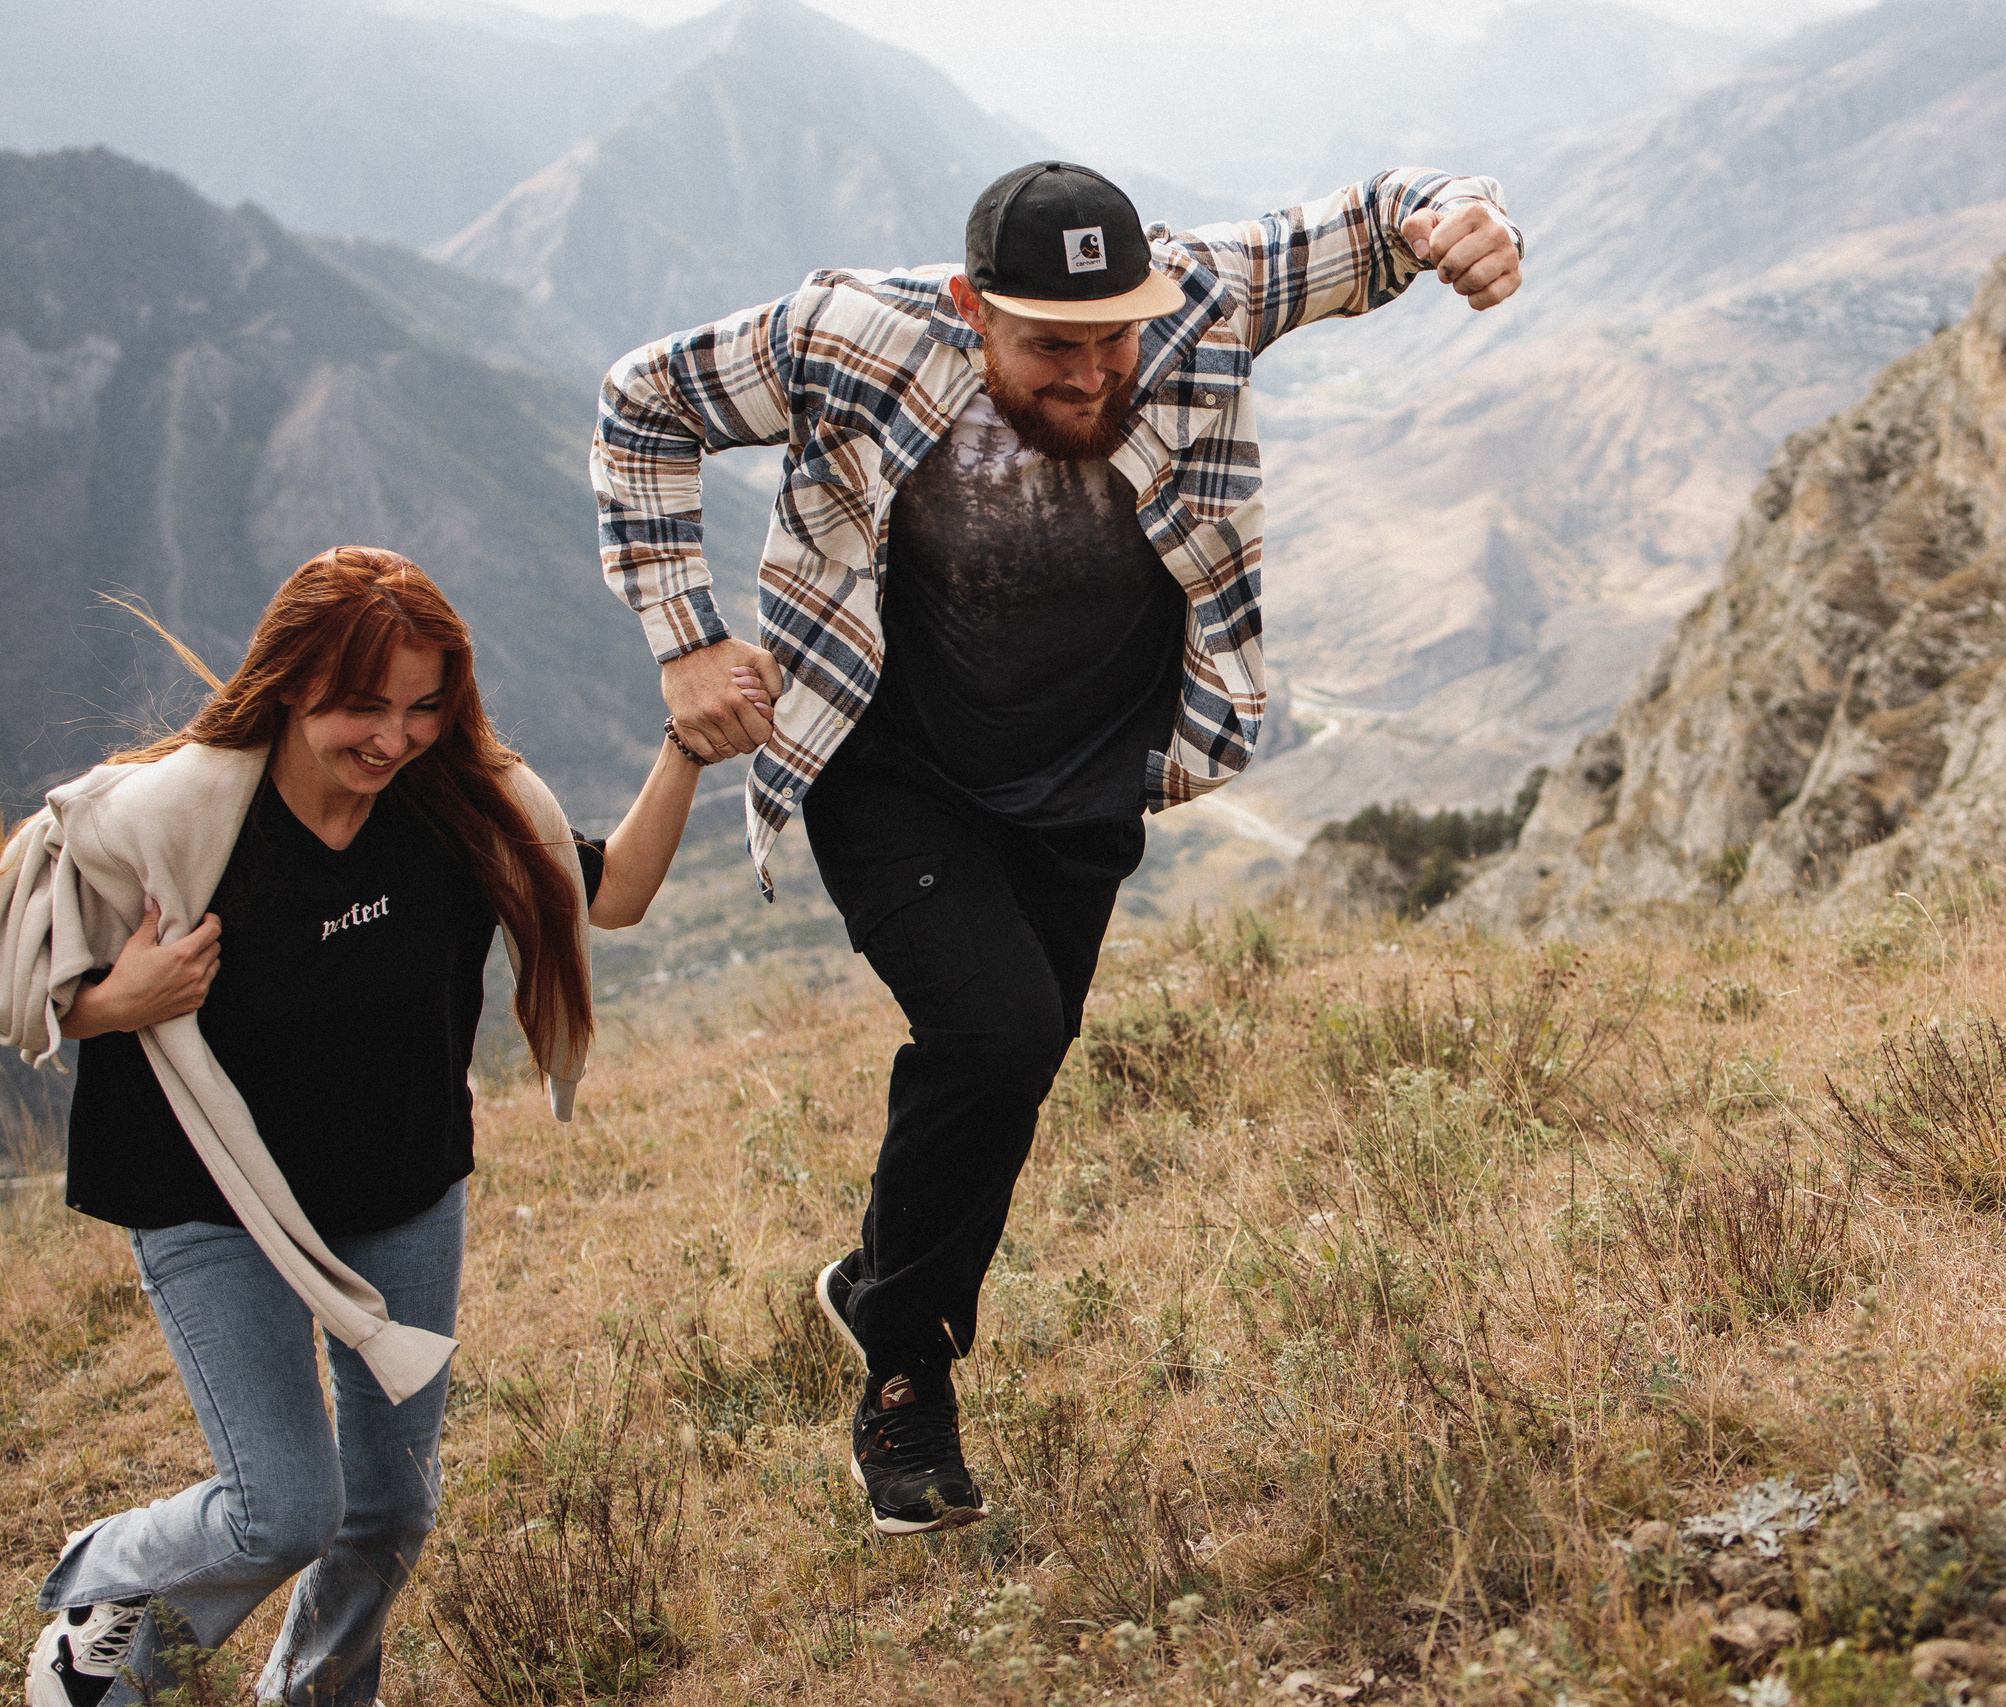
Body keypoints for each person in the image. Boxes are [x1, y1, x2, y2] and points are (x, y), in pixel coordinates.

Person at [592, 161, 1523, 1534]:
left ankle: (878, 1290)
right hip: (889, 759)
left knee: (1016, 1064)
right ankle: (905, 1374)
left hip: (1083, 773)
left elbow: (1381, 219)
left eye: (1115, 335)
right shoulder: (849, 336)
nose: (1093, 375)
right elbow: (642, 401)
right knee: (997, 1032)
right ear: (973, 308)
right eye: (1050, 345)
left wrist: (1460, 213)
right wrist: (686, 636)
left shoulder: (1200, 303)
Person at [4, 547, 756, 1707]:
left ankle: (310, 1694)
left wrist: (687, 749)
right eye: (364, 706)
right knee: (283, 1510)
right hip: (211, 1199)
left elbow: (608, 896)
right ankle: (106, 1596)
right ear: (291, 683)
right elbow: (21, 955)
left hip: (402, 1189)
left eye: (421, 706)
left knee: (392, 1507)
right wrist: (113, 1003)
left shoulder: (465, 808)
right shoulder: (180, 817)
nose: (393, 738)